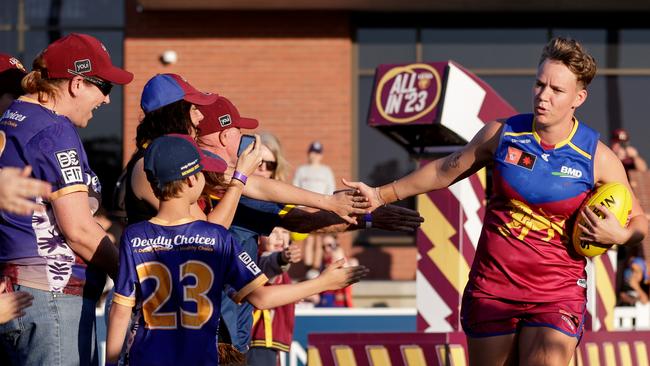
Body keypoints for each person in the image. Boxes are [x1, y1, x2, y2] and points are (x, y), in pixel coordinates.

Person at [344, 37, 648, 365]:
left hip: (556, 294)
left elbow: (640, 220)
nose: (543, 96)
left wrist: (620, 236)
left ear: (579, 97)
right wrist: (379, 195)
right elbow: (446, 169)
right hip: (493, 288)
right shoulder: (502, 133)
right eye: (539, 84)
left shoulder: (596, 157)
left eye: (556, 90)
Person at [105, 135, 367, 366]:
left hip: (147, 358)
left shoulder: (134, 237)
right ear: (194, 179)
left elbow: (120, 310)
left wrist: (111, 362)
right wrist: (323, 282)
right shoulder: (217, 237)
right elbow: (262, 298)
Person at [197, 98, 424, 355]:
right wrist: (323, 281)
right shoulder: (229, 188)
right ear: (226, 135)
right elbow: (262, 293)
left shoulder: (193, 181)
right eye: (258, 162)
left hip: (217, 328)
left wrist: (362, 213)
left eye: (268, 165)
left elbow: (302, 216)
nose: (259, 166)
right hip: (224, 333)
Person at [0, 33, 133, 365]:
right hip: (52, 300)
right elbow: (79, 231)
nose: (106, 101)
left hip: (20, 296)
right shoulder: (54, 131)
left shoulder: (13, 117)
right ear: (76, 83)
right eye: (105, 88)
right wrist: (130, 276)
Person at [248, 227, 301, 365]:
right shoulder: (256, 259)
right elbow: (269, 263)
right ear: (259, 238)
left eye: (284, 232)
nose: (280, 237)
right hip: (259, 338)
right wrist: (282, 258)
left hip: (266, 342)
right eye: (273, 231)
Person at [293, 141, 336, 279]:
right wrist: (300, 207)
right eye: (312, 152)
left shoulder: (326, 171)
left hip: (320, 208)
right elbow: (295, 188)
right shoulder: (302, 170)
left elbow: (331, 190)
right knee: (308, 238)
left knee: (318, 238)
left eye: (317, 153)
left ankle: (315, 268)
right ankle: (308, 267)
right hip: (305, 208)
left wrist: (327, 207)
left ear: (321, 155)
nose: (314, 155)